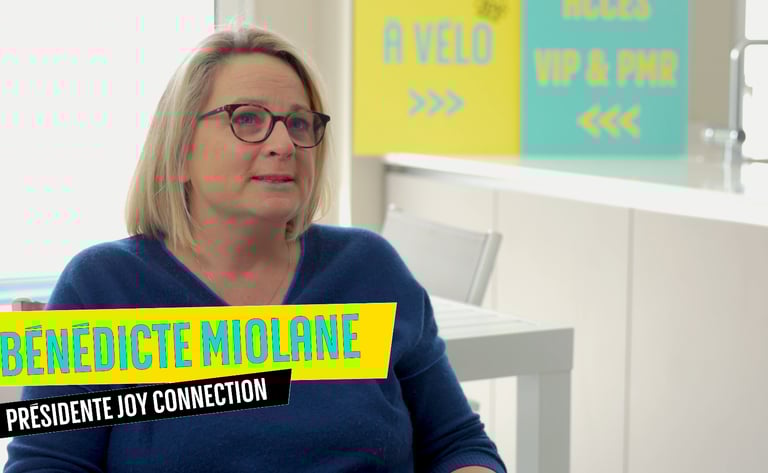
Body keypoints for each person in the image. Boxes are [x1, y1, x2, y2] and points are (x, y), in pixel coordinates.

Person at [4, 26, 506, 473]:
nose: (284, 143)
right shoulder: (101, 286)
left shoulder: (370, 268)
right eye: (247, 119)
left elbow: (457, 442)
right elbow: (47, 464)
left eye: (300, 122)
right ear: (180, 151)